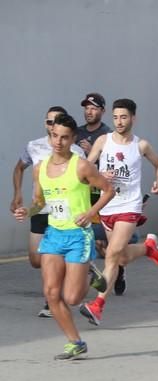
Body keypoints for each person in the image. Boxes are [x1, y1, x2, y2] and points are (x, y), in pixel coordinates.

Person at [13, 114, 115, 359]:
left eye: (64, 137)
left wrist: (90, 212)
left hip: (78, 235)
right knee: (51, 293)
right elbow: (40, 203)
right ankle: (75, 342)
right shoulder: (40, 168)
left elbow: (108, 190)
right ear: (50, 137)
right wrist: (29, 210)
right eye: (54, 136)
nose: (58, 141)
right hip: (54, 234)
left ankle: (91, 272)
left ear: (73, 139)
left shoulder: (81, 165)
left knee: (72, 297)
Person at [79, 98, 158, 325]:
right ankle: (148, 248)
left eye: (124, 117)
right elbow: (85, 171)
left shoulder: (141, 146)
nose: (119, 121)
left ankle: (97, 306)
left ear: (133, 118)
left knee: (111, 254)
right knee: (122, 257)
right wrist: (98, 177)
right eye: (116, 117)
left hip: (129, 205)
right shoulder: (103, 141)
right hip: (107, 205)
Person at [10, 106, 90, 317]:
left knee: (55, 256)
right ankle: (76, 271)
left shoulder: (76, 153)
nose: (52, 129)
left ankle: (52, 298)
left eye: (56, 124)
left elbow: (88, 183)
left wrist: (91, 212)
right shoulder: (34, 146)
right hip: (42, 207)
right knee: (36, 260)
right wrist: (18, 194)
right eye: (49, 123)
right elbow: (19, 168)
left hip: (68, 217)